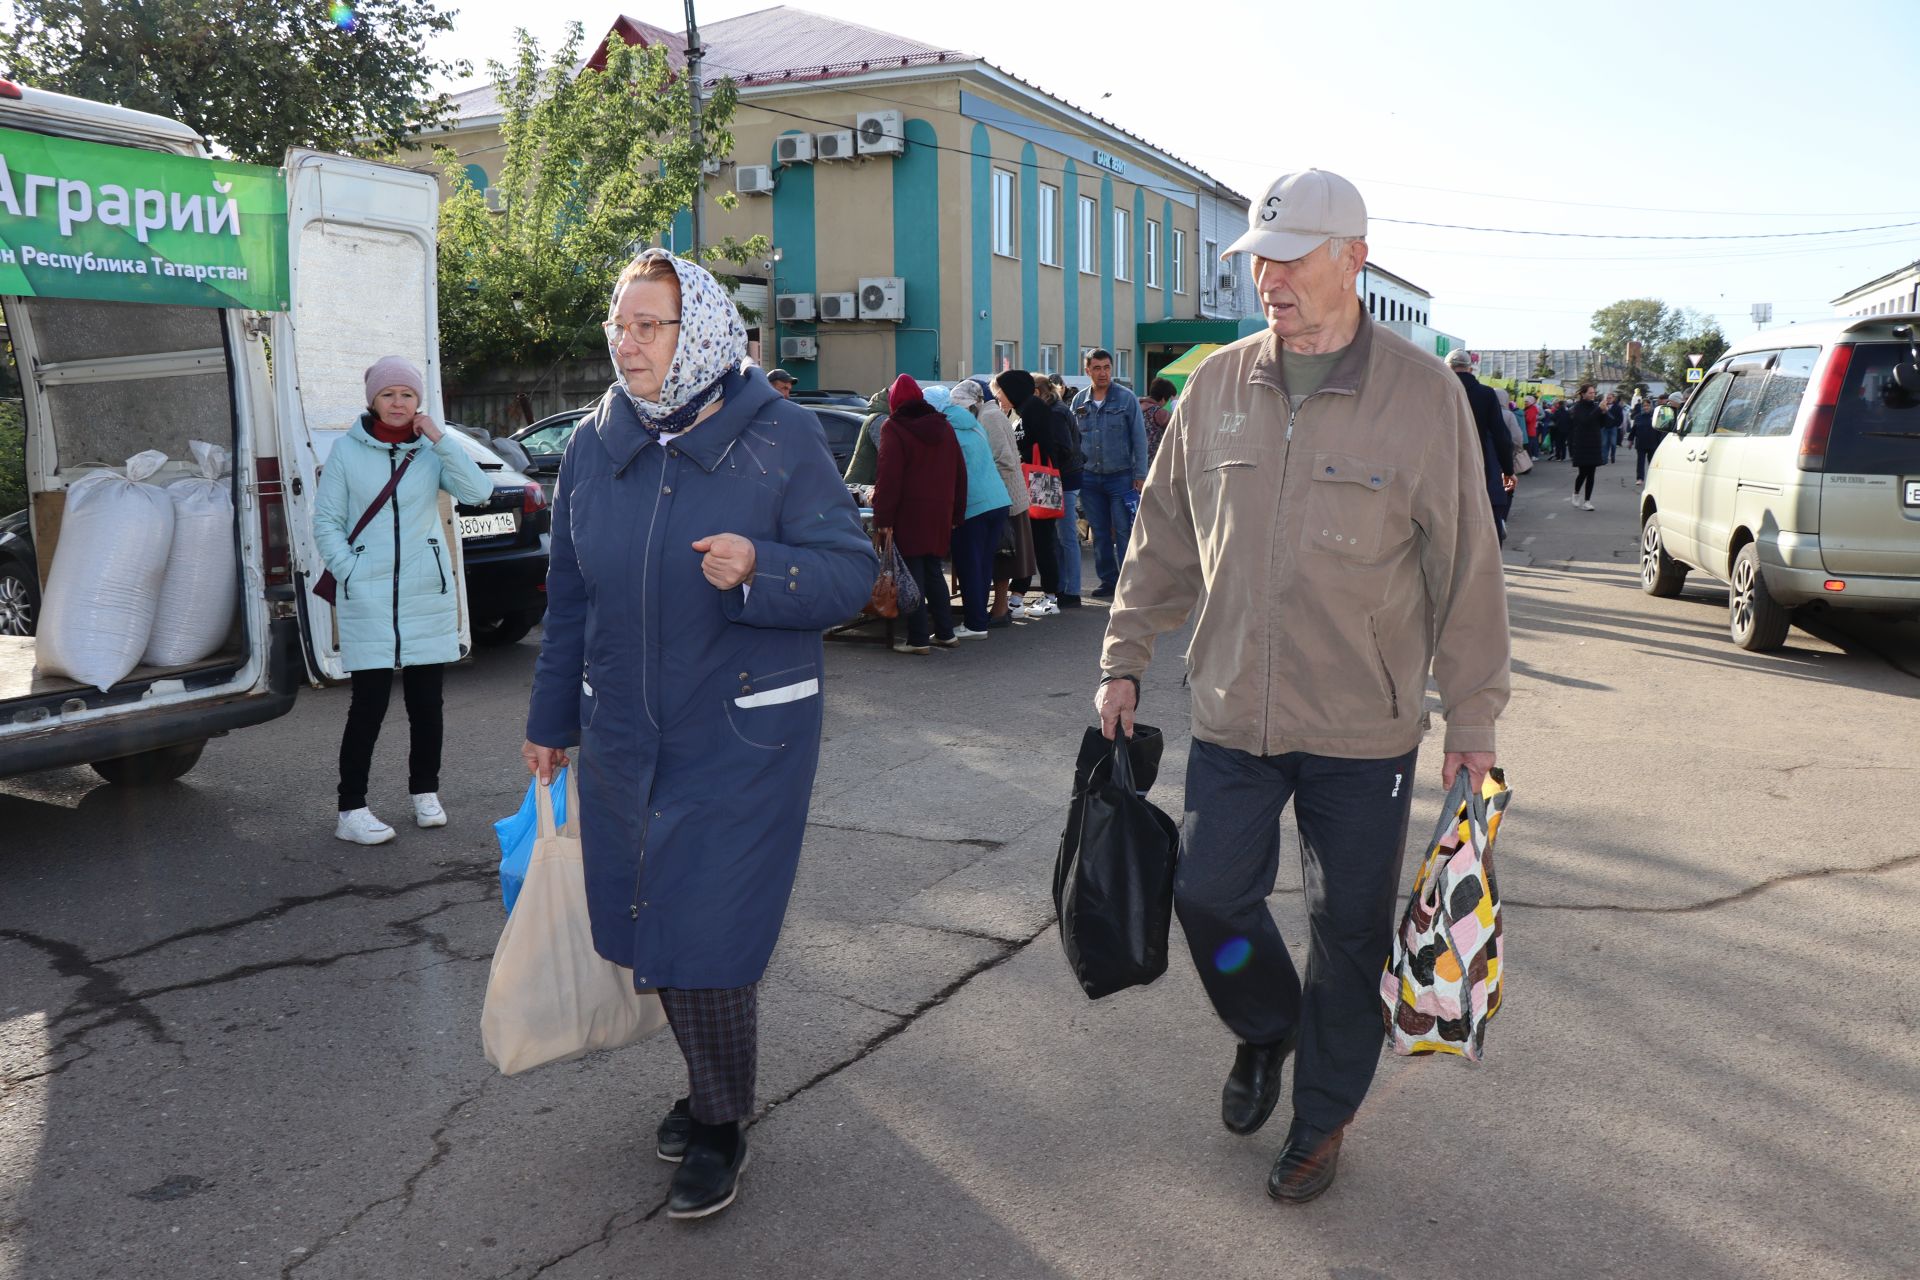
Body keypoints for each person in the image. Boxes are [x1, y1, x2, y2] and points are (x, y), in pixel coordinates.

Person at [1094, 168, 1509, 1205]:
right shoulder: (1219, 385)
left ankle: (1322, 1117)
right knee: (1208, 891)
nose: (1268, 279)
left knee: (1350, 927)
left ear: (1353, 259)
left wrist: (1474, 714)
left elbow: (1465, 564)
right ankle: (1265, 1025)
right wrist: (1125, 653)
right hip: (1236, 704)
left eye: (1290, 259)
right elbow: (1162, 537)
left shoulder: (1424, 396)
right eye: (1258, 261)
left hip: (1363, 725)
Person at [522, 249, 876, 1221]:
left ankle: (720, 1119)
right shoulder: (596, 446)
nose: (625, 343)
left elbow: (851, 572)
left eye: (649, 325)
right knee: (651, 924)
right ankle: (708, 1083)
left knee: (708, 935)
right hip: (626, 734)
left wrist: (762, 566)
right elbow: (569, 598)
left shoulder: (781, 436)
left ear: (703, 332)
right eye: (619, 324)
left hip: (742, 740)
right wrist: (551, 719)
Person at [315, 356, 494, 846]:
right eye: (389, 394)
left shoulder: (433, 451)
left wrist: (441, 438)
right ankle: (350, 810)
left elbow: (479, 491)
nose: (398, 403)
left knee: (426, 705)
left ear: (419, 403)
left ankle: (425, 793)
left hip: (423, 592)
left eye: (407, 395)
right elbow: (326, 520)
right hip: (367, 592)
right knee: (367, 706)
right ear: (372, 400)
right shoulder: (346, 453)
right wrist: (351, 569)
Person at [872, 374, 967, 654]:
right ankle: (946, 632)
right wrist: (956, 512)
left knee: (912, 576)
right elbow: (960, 473)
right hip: (940, 511)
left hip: (909, 512)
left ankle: (918, 638)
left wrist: (883, 519)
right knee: (933, 571)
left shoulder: (894, 427)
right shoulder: (944, 427)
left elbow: (888, 477)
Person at [950, 378, 1038, 625]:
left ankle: (999, 610)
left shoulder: (989, 416)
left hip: (1006, 496)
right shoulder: (989, 413)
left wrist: (984, 478)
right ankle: (998, 610)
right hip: (1005, 495)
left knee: (1003, 558)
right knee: (1001, 557)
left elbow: (1006, 459)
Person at [928, 383, 1010, 636]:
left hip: (972, 505)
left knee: (968, 565)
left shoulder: (943, 429)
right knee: (983, 564)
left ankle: (975, 624)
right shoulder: (973, 423)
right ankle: (978, 619)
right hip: (998, 500)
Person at [1071, 349, 1149, 599]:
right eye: (1097, 368)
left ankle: (1130, 582)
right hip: (1090, 477)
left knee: (1124, 530)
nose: (1102, 373)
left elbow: (1139, 438)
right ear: (1087, 371)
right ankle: (1108, 580)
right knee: (1100, 532)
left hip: (1121, 476)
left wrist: (1140, 474)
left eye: (1106, 367)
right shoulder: (1079, 401)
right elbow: (1074, 439)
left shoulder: (1126, 399)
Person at [995, 370, 1072, 613]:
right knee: (1029, 542)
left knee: (1041, 542)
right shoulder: (1023, 409)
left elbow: (1043, 446)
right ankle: (1019, 596)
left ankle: (1050, 597)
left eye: (1001, 391)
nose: (998, 395)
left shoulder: (1033, 409)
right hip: (1032, 484)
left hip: (1037, 483)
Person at [1447, 348, 1516, 545]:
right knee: (1481, 511)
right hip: (1480, 463)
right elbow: (1501, 435)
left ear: (1448, 368)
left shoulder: (1438, 390)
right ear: (1470, 369)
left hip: (1444, 464)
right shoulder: (1486, 394)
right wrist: (1508, 470)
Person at [1032, 375, 1085, 608]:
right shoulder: (1057, 408)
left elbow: (1064, 447)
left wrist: (1048, 464)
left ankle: (1071, 591)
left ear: (1037, 392)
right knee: (1061, 538)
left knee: (1065, 538)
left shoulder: (1054, 412)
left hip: (1062, 478)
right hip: (1065, 476)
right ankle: (1063, 587)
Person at [842, 386, 889, 485]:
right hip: (862, 484)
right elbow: (887, 454)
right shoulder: (879, 420)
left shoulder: (876, 417)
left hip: (862, 482)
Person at [1567, 383, 1604, 510]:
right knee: (1583, 472)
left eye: (1594, 393)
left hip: (1594, 443)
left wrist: (1605, 412)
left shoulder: (1595, 407)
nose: (1593, 395)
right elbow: (1585, 421)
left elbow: (1606, 423)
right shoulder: (1578, 407)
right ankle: (1576, 493)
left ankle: (1587, 501)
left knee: (1592, 473)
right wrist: (1599, 410)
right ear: (1583, 394)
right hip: (1582, 443)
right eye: (1590, 393)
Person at [1141, 377, 1177, 462]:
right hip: (1152, 464)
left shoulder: (1135, 406)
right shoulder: (1159, 413)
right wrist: (1174, 403)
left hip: (1133, 462)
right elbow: (1179, 425)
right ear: (1163, 399)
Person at [1630, 396, 1659, 485]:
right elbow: (1634, 429)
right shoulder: (1638, 417)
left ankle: (1653, 479)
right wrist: (1630, 440)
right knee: (1640, 463)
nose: (1646, 407)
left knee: (1652, 463)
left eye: (1648, 405)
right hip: (1641, 443)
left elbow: (1659, 430)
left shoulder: (1655, 417)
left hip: (1653, 443)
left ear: (1651, 407)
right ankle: (1640, 479)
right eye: (1644, 406)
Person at [1600, 390, 1624, 465]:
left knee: (1613, 444)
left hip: (1613, 428)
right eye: (1607, 398)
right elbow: (1598, 417)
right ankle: (1604, 460)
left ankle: (1613, 455)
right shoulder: (1603, 406)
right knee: (1604, 444)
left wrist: (1617, 425)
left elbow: (1620, 418)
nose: (1608, 399)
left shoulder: (1617, 407)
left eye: (1610, 398)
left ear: (1613, 398)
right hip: (1604, 428)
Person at [1523, 393, 1540, 458]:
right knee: (1529, 446)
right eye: (1525, 401)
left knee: (1529, 447)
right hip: (1530, 430)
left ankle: (1529, 460)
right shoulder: (1529, 408)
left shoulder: (1531, 409)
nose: (1525, 403)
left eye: (1526, 401)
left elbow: (1528, 420)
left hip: (1530, 430)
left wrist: (1523, 417)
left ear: (1530, 402)